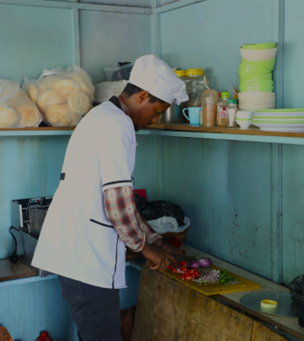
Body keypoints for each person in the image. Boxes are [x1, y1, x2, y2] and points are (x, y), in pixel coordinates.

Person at [32, 55, 189, 341]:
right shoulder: (116, 124)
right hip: (86, 263)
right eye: (157, 111)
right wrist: (144, 247)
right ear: (142, 96)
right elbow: (117, 204)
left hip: (79, 258)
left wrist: (156, 240)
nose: (154, 120)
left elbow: (123, 200)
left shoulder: (105, 117)